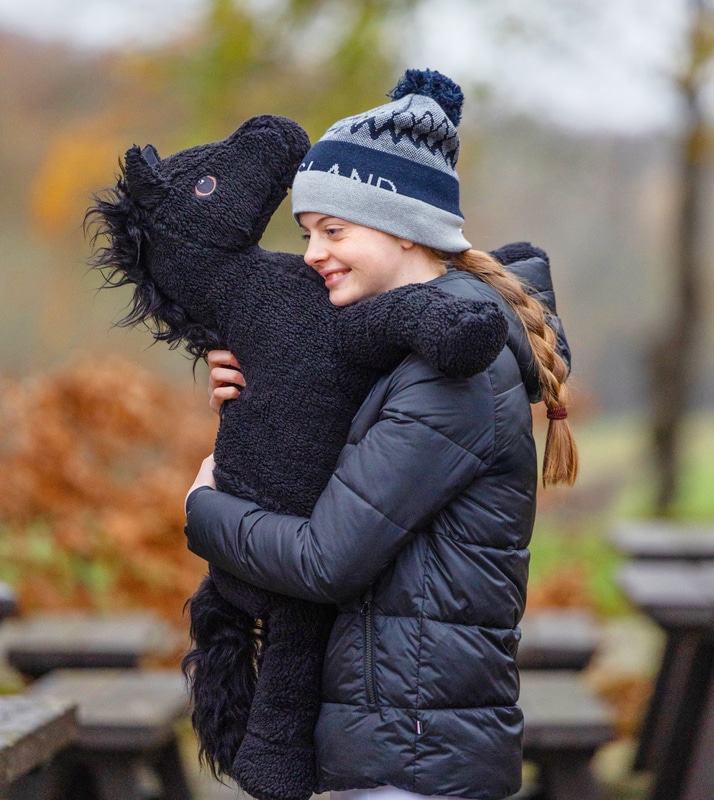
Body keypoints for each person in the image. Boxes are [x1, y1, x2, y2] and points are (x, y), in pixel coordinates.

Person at [184, 68, 577, 800]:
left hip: (416, 762)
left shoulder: (456, 375)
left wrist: (204, 508)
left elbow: (325, 557)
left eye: (333, 230)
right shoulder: (408, 356)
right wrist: (256, 405)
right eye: (307, 234)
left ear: (405, 227)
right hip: (396, 745)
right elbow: (329, 476)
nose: (312, 254)